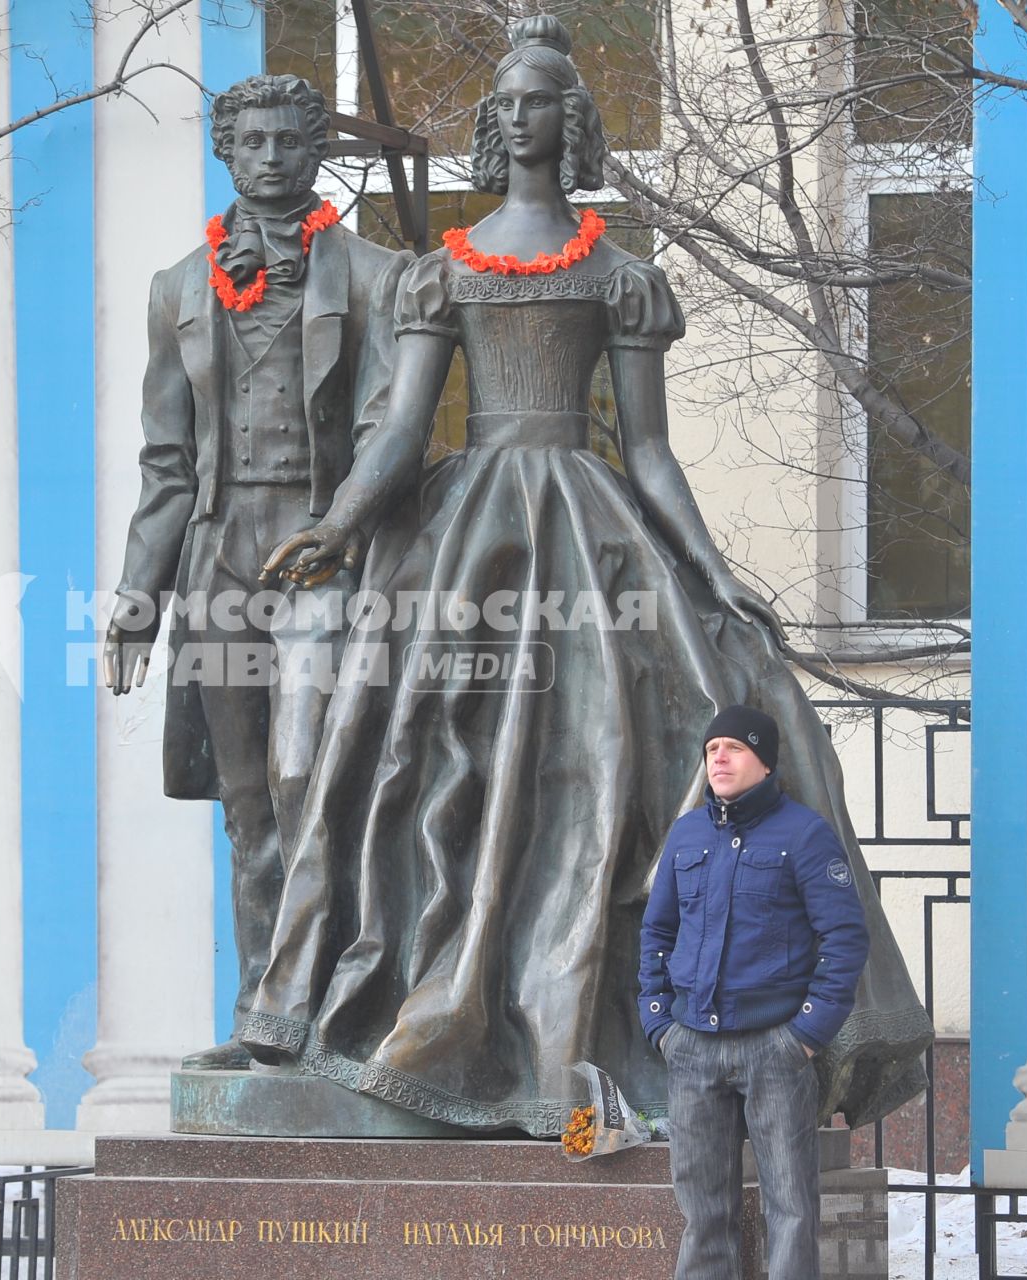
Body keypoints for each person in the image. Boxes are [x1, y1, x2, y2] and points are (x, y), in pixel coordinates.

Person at [244, 15, 930, 1135]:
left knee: (613, 756)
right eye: (508, 101)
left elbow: (650, 449)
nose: (523, 116)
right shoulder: (442, 271)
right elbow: (403, 433)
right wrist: (336, 524)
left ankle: (599, 1020)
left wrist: (712, 570)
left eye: (544, 100)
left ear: (575, 121)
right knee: (430, 754)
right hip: (472, 540)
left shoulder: (619, 276)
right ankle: (420, 1004)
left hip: (591, 523)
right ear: (491, 122)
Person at [103, 72, 411, 1070]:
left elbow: (383, 425)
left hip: (326, 556)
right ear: (226, 153)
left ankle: (343, 1012)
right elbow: (165, 463)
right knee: (248, 809)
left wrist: (344, 527)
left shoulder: (374, 276)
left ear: (316, 151)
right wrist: (139, 604)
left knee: (312, 786)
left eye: (290, 141)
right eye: (253, 143)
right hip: (221, 558)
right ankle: (262, 1023)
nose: (273, 159)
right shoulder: (178, 289)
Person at [638, 705, 868, 1280]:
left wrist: (807, 1036)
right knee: (701, 1210)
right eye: (712, 748)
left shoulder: (805, 834)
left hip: (776, 1048)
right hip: (691, 1046)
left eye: (734, 748)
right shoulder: (688, 832)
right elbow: (657, 930)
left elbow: (843, 938)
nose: (719, 757)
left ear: (764, 761)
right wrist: (659, 1021)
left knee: (790, 1208)